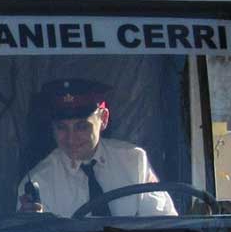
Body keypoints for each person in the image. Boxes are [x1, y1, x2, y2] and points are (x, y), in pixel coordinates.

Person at [17, 78, 176, 217]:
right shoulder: (39, 182)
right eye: (61, 127)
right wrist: (34, 223)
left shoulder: (134, 162)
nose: (71, 138)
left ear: (104, 119)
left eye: (82, 127)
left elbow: (163, 224)